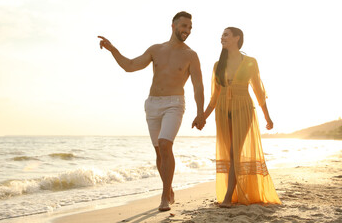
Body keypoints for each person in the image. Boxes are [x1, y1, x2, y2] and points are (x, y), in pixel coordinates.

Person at [98, 11, 205, 211]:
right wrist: (113, 49)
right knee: (159, 150)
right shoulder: (156, 49)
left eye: (190, 27)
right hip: (153, 104)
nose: (187, 31)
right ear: (173, 26)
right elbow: (129, 66)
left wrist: (200, 113)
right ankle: (169, 188)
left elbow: (198, 86)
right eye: (184, 26)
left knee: (165, 144)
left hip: (175, 104)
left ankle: (165, 197)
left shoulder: (191, 55)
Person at [193, 27, 281, 207]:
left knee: (235, 152)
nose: (222, 37)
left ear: (237, 38)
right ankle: (235, 194)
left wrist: (267, 118)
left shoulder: (250, 62)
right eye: (222, 35)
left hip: (243, 108)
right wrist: (202, 117)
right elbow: (214, 98)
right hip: (223, 110)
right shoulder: (218, 65)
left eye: (226, 34)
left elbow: (258, 91)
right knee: (230, 153)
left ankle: (227, 198)